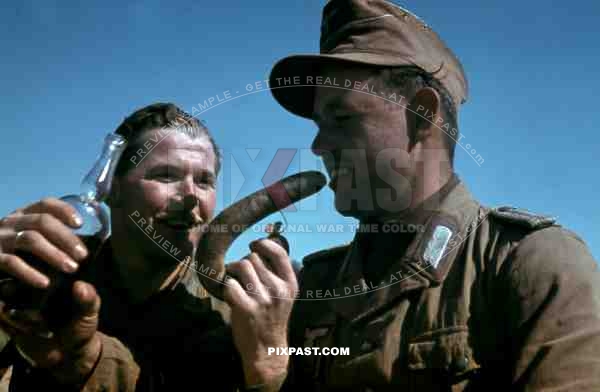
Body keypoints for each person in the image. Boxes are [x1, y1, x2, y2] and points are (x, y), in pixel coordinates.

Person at [231, 0, 600, 390]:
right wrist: (267, 371)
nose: (319, 145)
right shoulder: (312, 286)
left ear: (422, 114)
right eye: (320, 124)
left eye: (342, 119)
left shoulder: (530, 265)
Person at [0, 103, 291, 391]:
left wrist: (268, 371)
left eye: (205, 181)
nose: (191, 196)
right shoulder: (50, 280)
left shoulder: (237, 314)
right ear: (113, 191)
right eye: (166, 176)